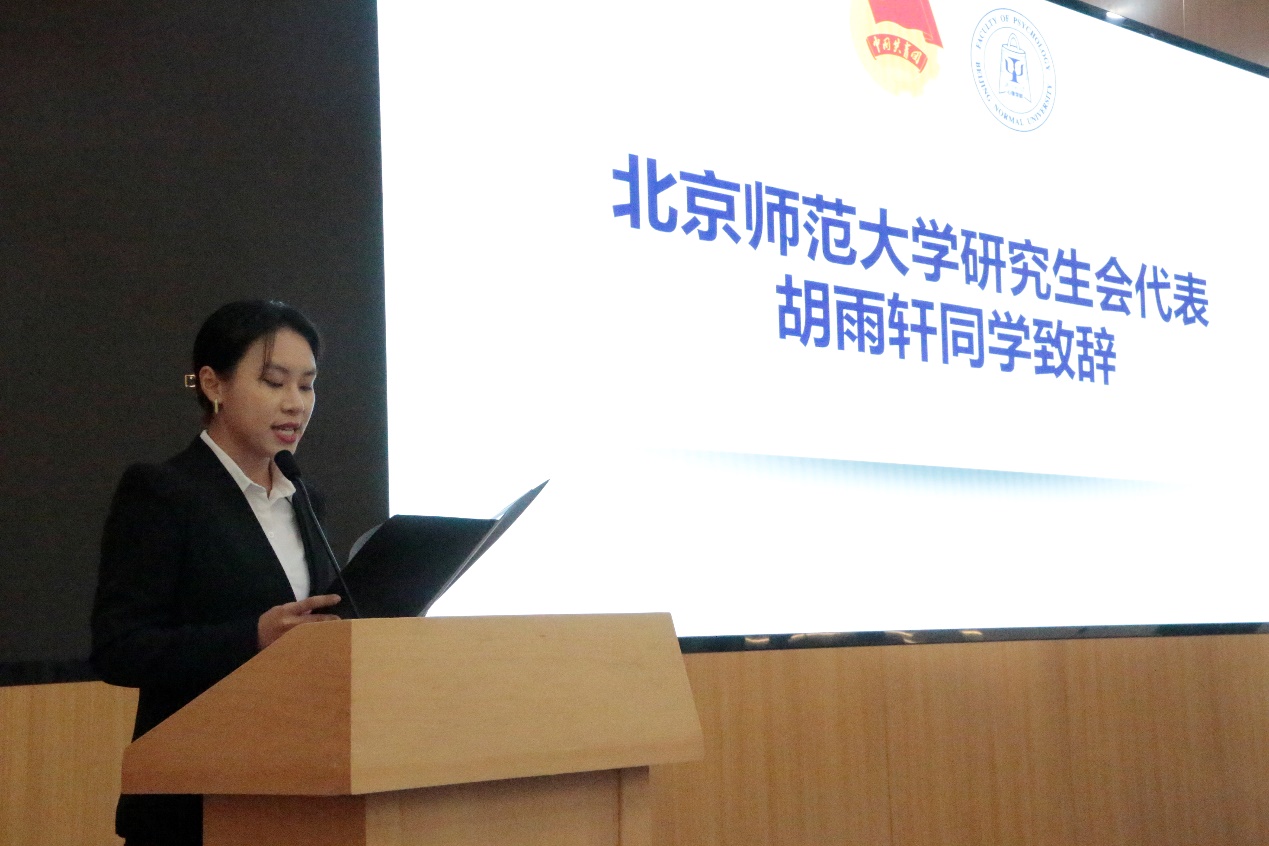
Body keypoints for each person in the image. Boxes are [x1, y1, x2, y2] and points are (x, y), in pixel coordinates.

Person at [91, 300, 343, 846]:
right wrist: (254, 636)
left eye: (307, 385)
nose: (296, 403)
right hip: (193, 805)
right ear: (213, 384)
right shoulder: (163, 492)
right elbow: (120, 647)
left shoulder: (305, 498)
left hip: (298, 794)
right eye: (274, 382)